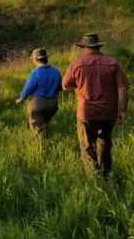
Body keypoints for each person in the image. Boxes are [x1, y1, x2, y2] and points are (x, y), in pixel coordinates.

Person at [62, 33, 129, 177]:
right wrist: (123, 111)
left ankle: (94, 178)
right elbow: (122, 88)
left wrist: (80, 86)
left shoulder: (76, 63)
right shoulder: (113, 63)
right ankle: (105, 174)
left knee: (87, 145)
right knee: (104, 142)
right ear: (99, 46)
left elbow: (65, 86)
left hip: (87, 111)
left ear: (84, 47)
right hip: (108, 112)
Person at [15, 48, 61, 137]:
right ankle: (46, 139)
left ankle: (40, 144)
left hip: (38, 103)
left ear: (36, 59)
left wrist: (21, 98)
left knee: (37, 127)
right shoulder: (56, 71)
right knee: (45, 123)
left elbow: (28, 87)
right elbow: (60, 86)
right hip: (52, 103)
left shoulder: (36, 72)